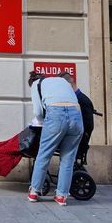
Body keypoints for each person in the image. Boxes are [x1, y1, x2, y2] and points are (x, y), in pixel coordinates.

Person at [28, 72, 84, 206]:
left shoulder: (36, 85)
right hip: (76, 116)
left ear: (32, 82)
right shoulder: (62, 81)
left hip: (56, 115)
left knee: (44, 154)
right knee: (68, 159)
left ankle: (34, 191)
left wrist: (42, 122)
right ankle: (61, 196)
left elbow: (38, 112)